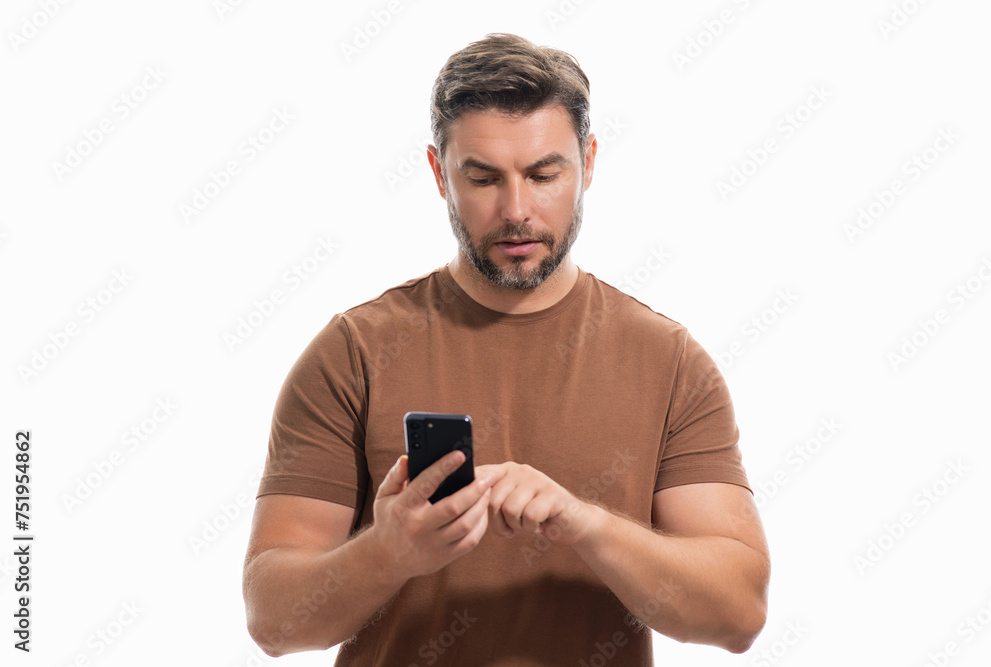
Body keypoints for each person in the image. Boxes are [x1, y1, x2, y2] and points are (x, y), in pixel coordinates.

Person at [242, 32, 769, 665]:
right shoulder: (352, 352)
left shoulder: (669, 361)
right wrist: (388, 553)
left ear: (590, 163)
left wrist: (587, 524)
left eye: (545, 174)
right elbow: (273, 621)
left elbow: (738, 615)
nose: (517, 210)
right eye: (484, 178)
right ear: (440, 174)